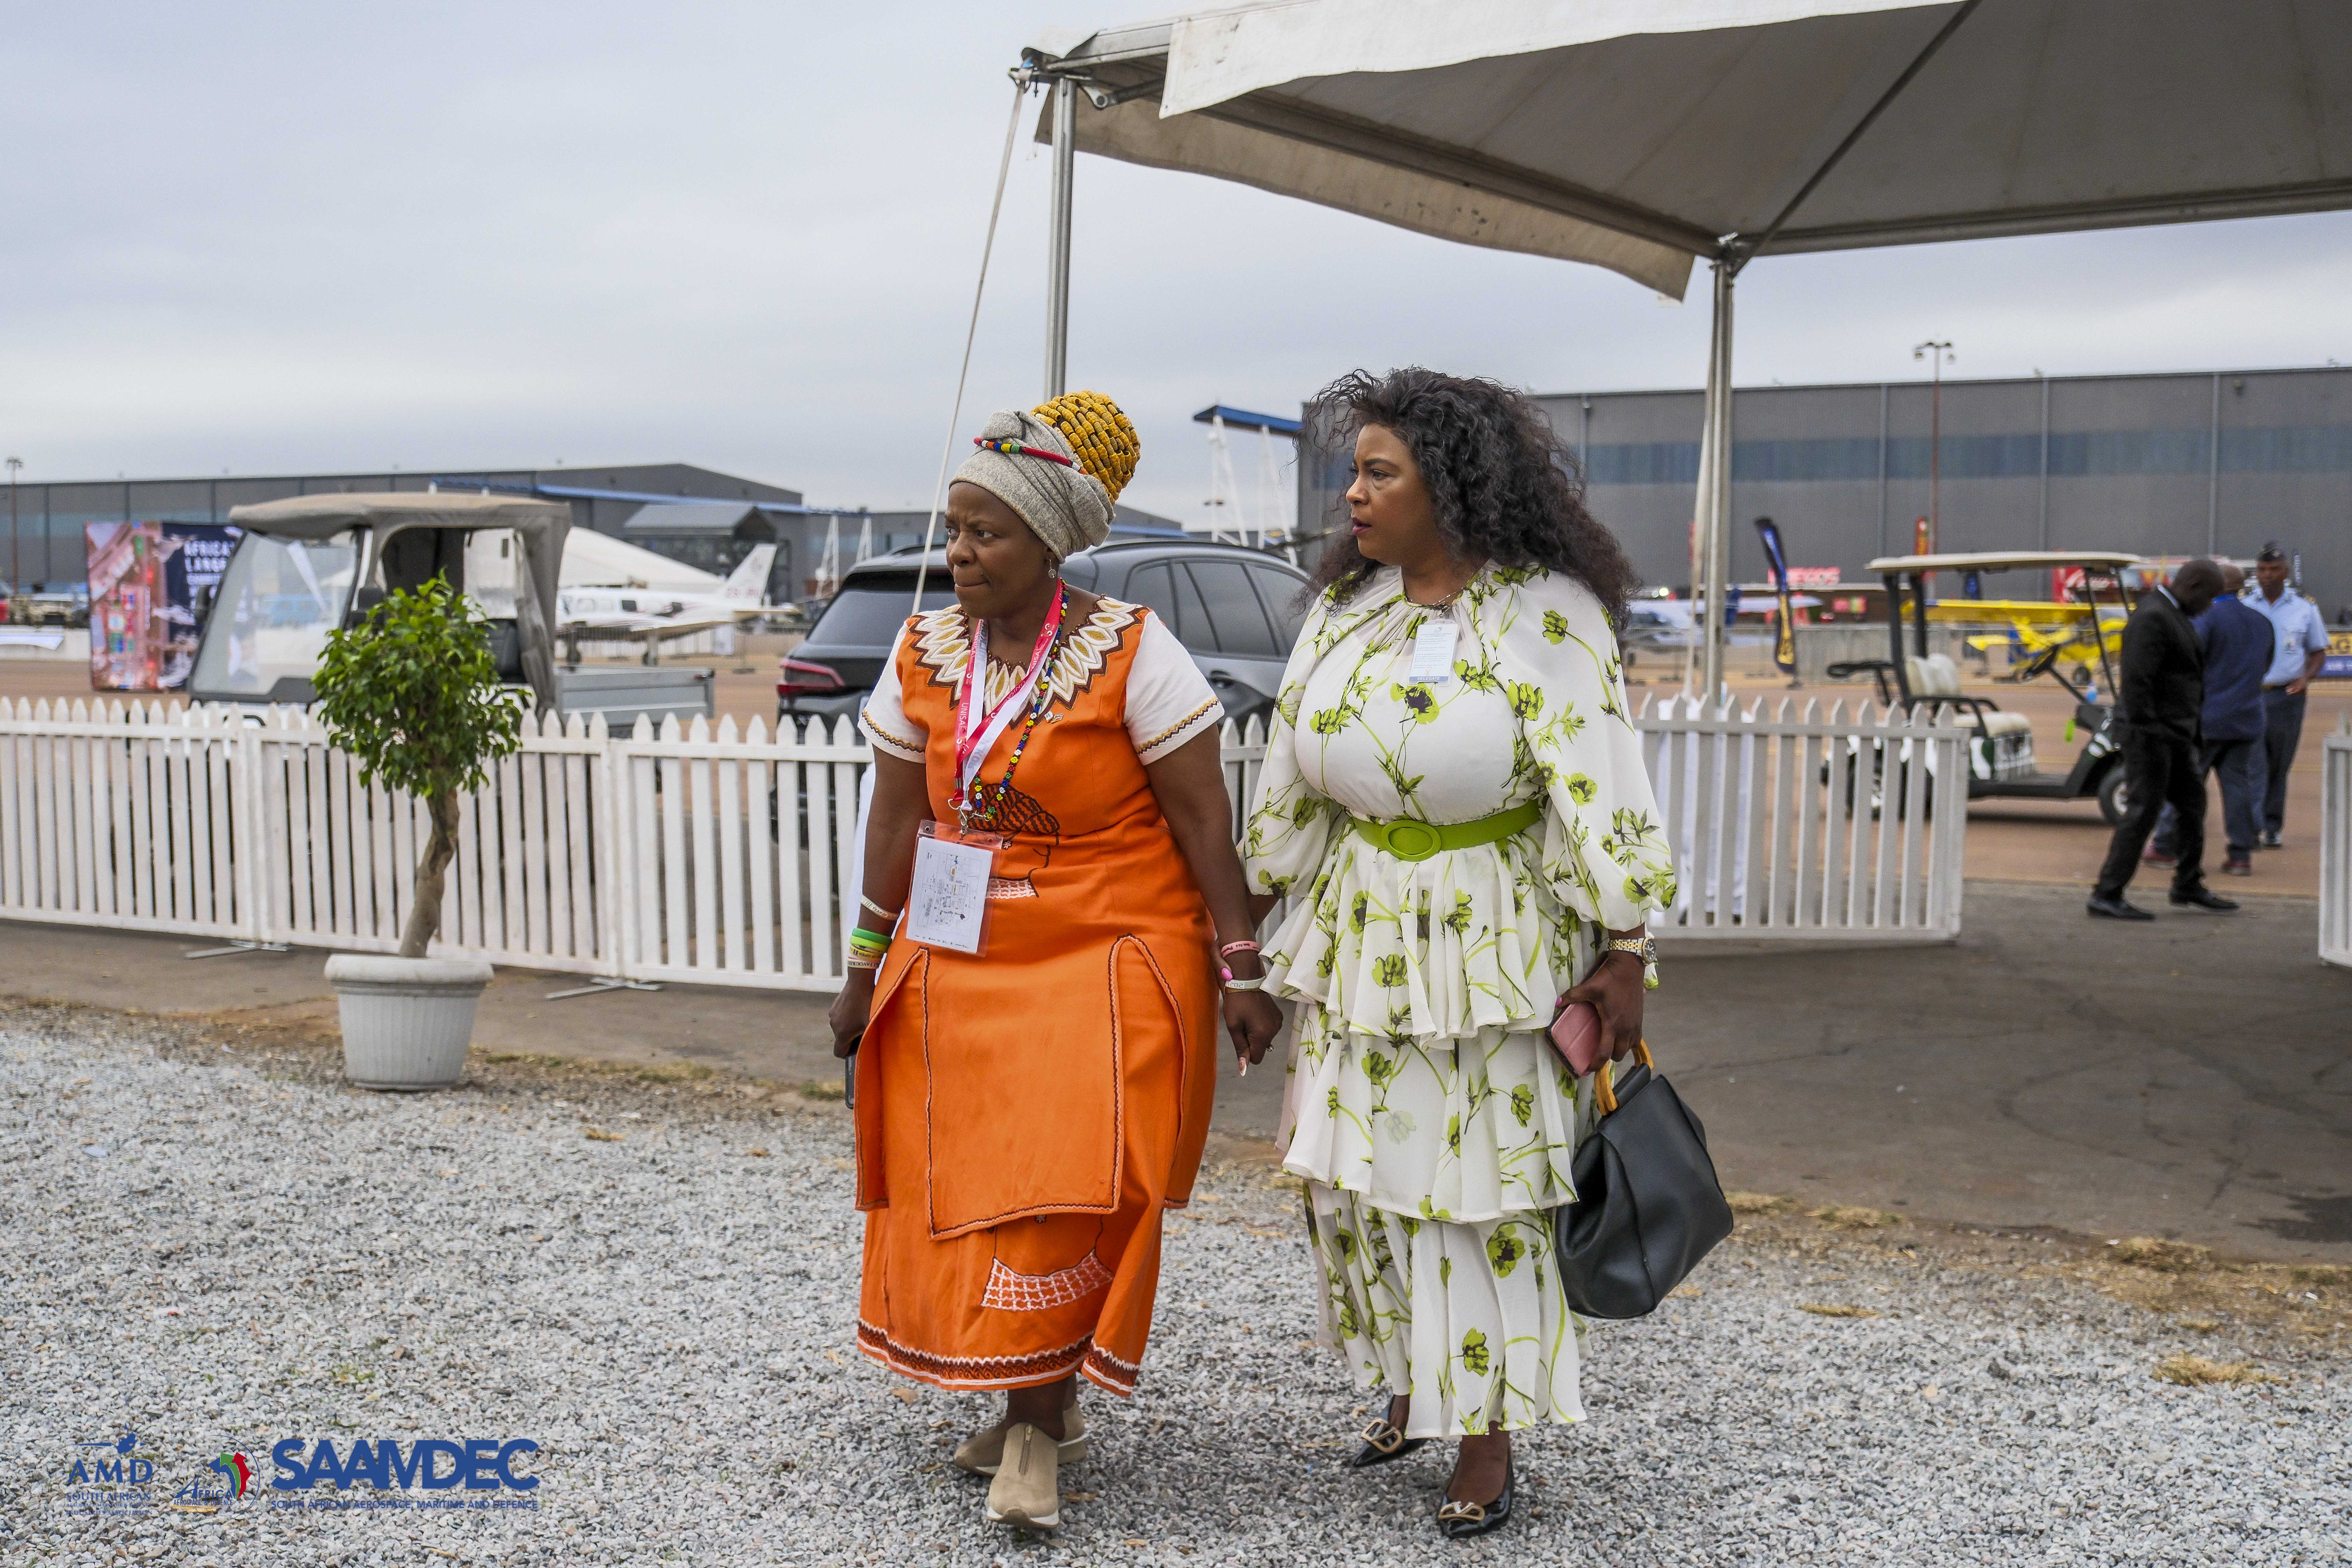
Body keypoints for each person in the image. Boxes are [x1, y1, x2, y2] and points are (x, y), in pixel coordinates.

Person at [829, 392, 1285, 1533]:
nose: (959, 551)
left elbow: (1201, 821)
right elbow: (896, 821)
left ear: (1046, 542)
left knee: (1060, 1184)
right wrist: (862, 965)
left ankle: (1032, 1428)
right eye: (954, 528)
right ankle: (1036, 1390)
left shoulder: (1133, 650)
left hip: (1108, 946)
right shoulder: (921, 650)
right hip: (963, 948)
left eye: (985, 532)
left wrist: (1239, 967)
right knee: (971, 1184)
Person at [1241, 369, 1674, 1540]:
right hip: (1357, 937)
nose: (1352, 493)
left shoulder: (1547, 613)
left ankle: (1485, 1433)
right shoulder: (1345, 609)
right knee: (1356, 1181)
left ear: (1451, 484)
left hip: (1491, 946)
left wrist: (1626, 943)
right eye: (1352, 471)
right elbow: (1287, 775)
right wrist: (1245, 931)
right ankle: (1408, 1384)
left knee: (1481, 1190)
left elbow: (1603, 785)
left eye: (1378, 473)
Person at [2088, 558, 2237, 919]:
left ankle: (2188, 883)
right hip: (2152, 736)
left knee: (2192, 807)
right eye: (2210, 598)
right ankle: (2107, 893)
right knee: (2143, 811)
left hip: (2174, 735)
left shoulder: (2173, 614)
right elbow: (2137, 683)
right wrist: (2152, 733)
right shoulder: (2153, 618)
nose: (2210, 607)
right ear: (2193, 587)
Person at [2142, 564, 2270, 876]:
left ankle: (2164, 846)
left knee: (2184, 784)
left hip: (2206, 719)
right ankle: (2240, 854)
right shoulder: (2262, 622)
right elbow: (2266, 666)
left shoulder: (2205, 619)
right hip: (2247, 717)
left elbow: (2188, 663)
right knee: (2238, 786)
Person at [2242, 543, 2329, 848]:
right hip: (2252, 697)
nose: (2267, 575)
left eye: (2273, 570)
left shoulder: (2305, 609)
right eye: (2262, 570)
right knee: (2254, 765)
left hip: (2287, 698)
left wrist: (2306, 678)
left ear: (2285, 572)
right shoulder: (2246, 606)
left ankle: (2272, 826)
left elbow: (2318, 652)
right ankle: (2253, 828)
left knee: (2279, 766)